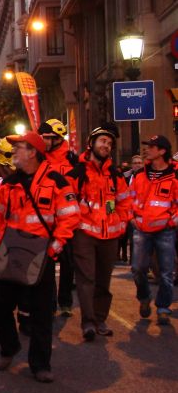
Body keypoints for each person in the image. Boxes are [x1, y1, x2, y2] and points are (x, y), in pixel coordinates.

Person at [0, 132, 80, 382]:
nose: (14, 151)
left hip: (41, 255)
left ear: (33, 152)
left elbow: (70, 216)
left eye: (19, 147)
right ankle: (9, 347)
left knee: (41, 312)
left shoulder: (57, 182)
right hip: (11, 251)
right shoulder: (8, 184)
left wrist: (54, 248)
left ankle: (40, 364)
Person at [66, 123, 131, 341]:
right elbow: (67, 202)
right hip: (83, 233)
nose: (107, 146)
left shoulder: (116, 175)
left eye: (110, 143)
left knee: (104, 280)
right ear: (91, 144)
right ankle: (89, 323)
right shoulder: (77, 173)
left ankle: (100, 318)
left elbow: (123, 203)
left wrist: (121, 224)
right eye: (103, 141)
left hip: (110, 236)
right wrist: (75, 226)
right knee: (86, 279)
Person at [128, 135, 178, 325]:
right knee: (138, 269)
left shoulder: (175, 176)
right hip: (141, 229)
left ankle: (163, 307)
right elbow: (128, 199)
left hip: (165, 230)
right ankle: (144, 297)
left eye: (151, 147)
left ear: (162, 151)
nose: (147, 149)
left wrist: (171, 221)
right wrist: (131, 219)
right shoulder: (139, 175)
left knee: (166, 272)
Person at [38, 119, 77, 317]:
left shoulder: (72, 160)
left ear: (56, 138)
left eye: (46, 138)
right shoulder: (38, 158)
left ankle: (66, 302)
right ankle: (51, 304)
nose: (43, 141)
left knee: (68, 263)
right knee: (47, 264)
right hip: (45, 219)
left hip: (66, 219)